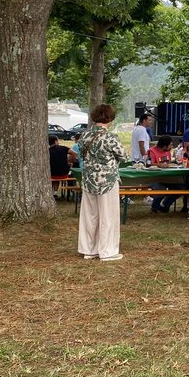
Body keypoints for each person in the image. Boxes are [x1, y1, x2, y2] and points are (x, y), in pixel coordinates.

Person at [78, 104, 125, 261]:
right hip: (107, 180)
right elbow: (123, 156)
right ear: (109, 118)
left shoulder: (84, 136)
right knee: (108, 215)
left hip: (89, 178)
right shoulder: (110, 137)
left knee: (90, 215)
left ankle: (89, 249)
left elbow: (82, 153)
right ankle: (107, 251)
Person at [146, 135, 179, 213]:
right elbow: (148, 164)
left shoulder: (168, 152)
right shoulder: (151, 151)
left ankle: (165, 205)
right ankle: (155, 207)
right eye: (170, 145)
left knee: (181, 188)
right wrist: (159, 165)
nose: (172, 146)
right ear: (164, 146)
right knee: (161, 190)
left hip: (168, 177)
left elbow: (169, 163)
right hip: (155, 178)